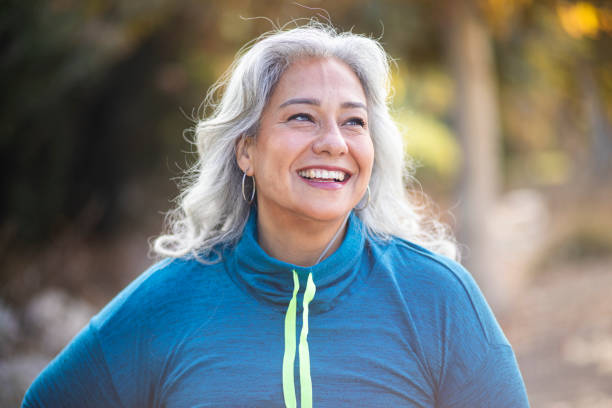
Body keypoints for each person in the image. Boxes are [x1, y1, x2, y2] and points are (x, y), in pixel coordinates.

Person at [22, 22, 529, 407]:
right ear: (246, 149)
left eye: (353, 122)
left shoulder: (437, 298)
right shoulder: (166, 303)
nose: (332, 143)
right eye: (301, 117)